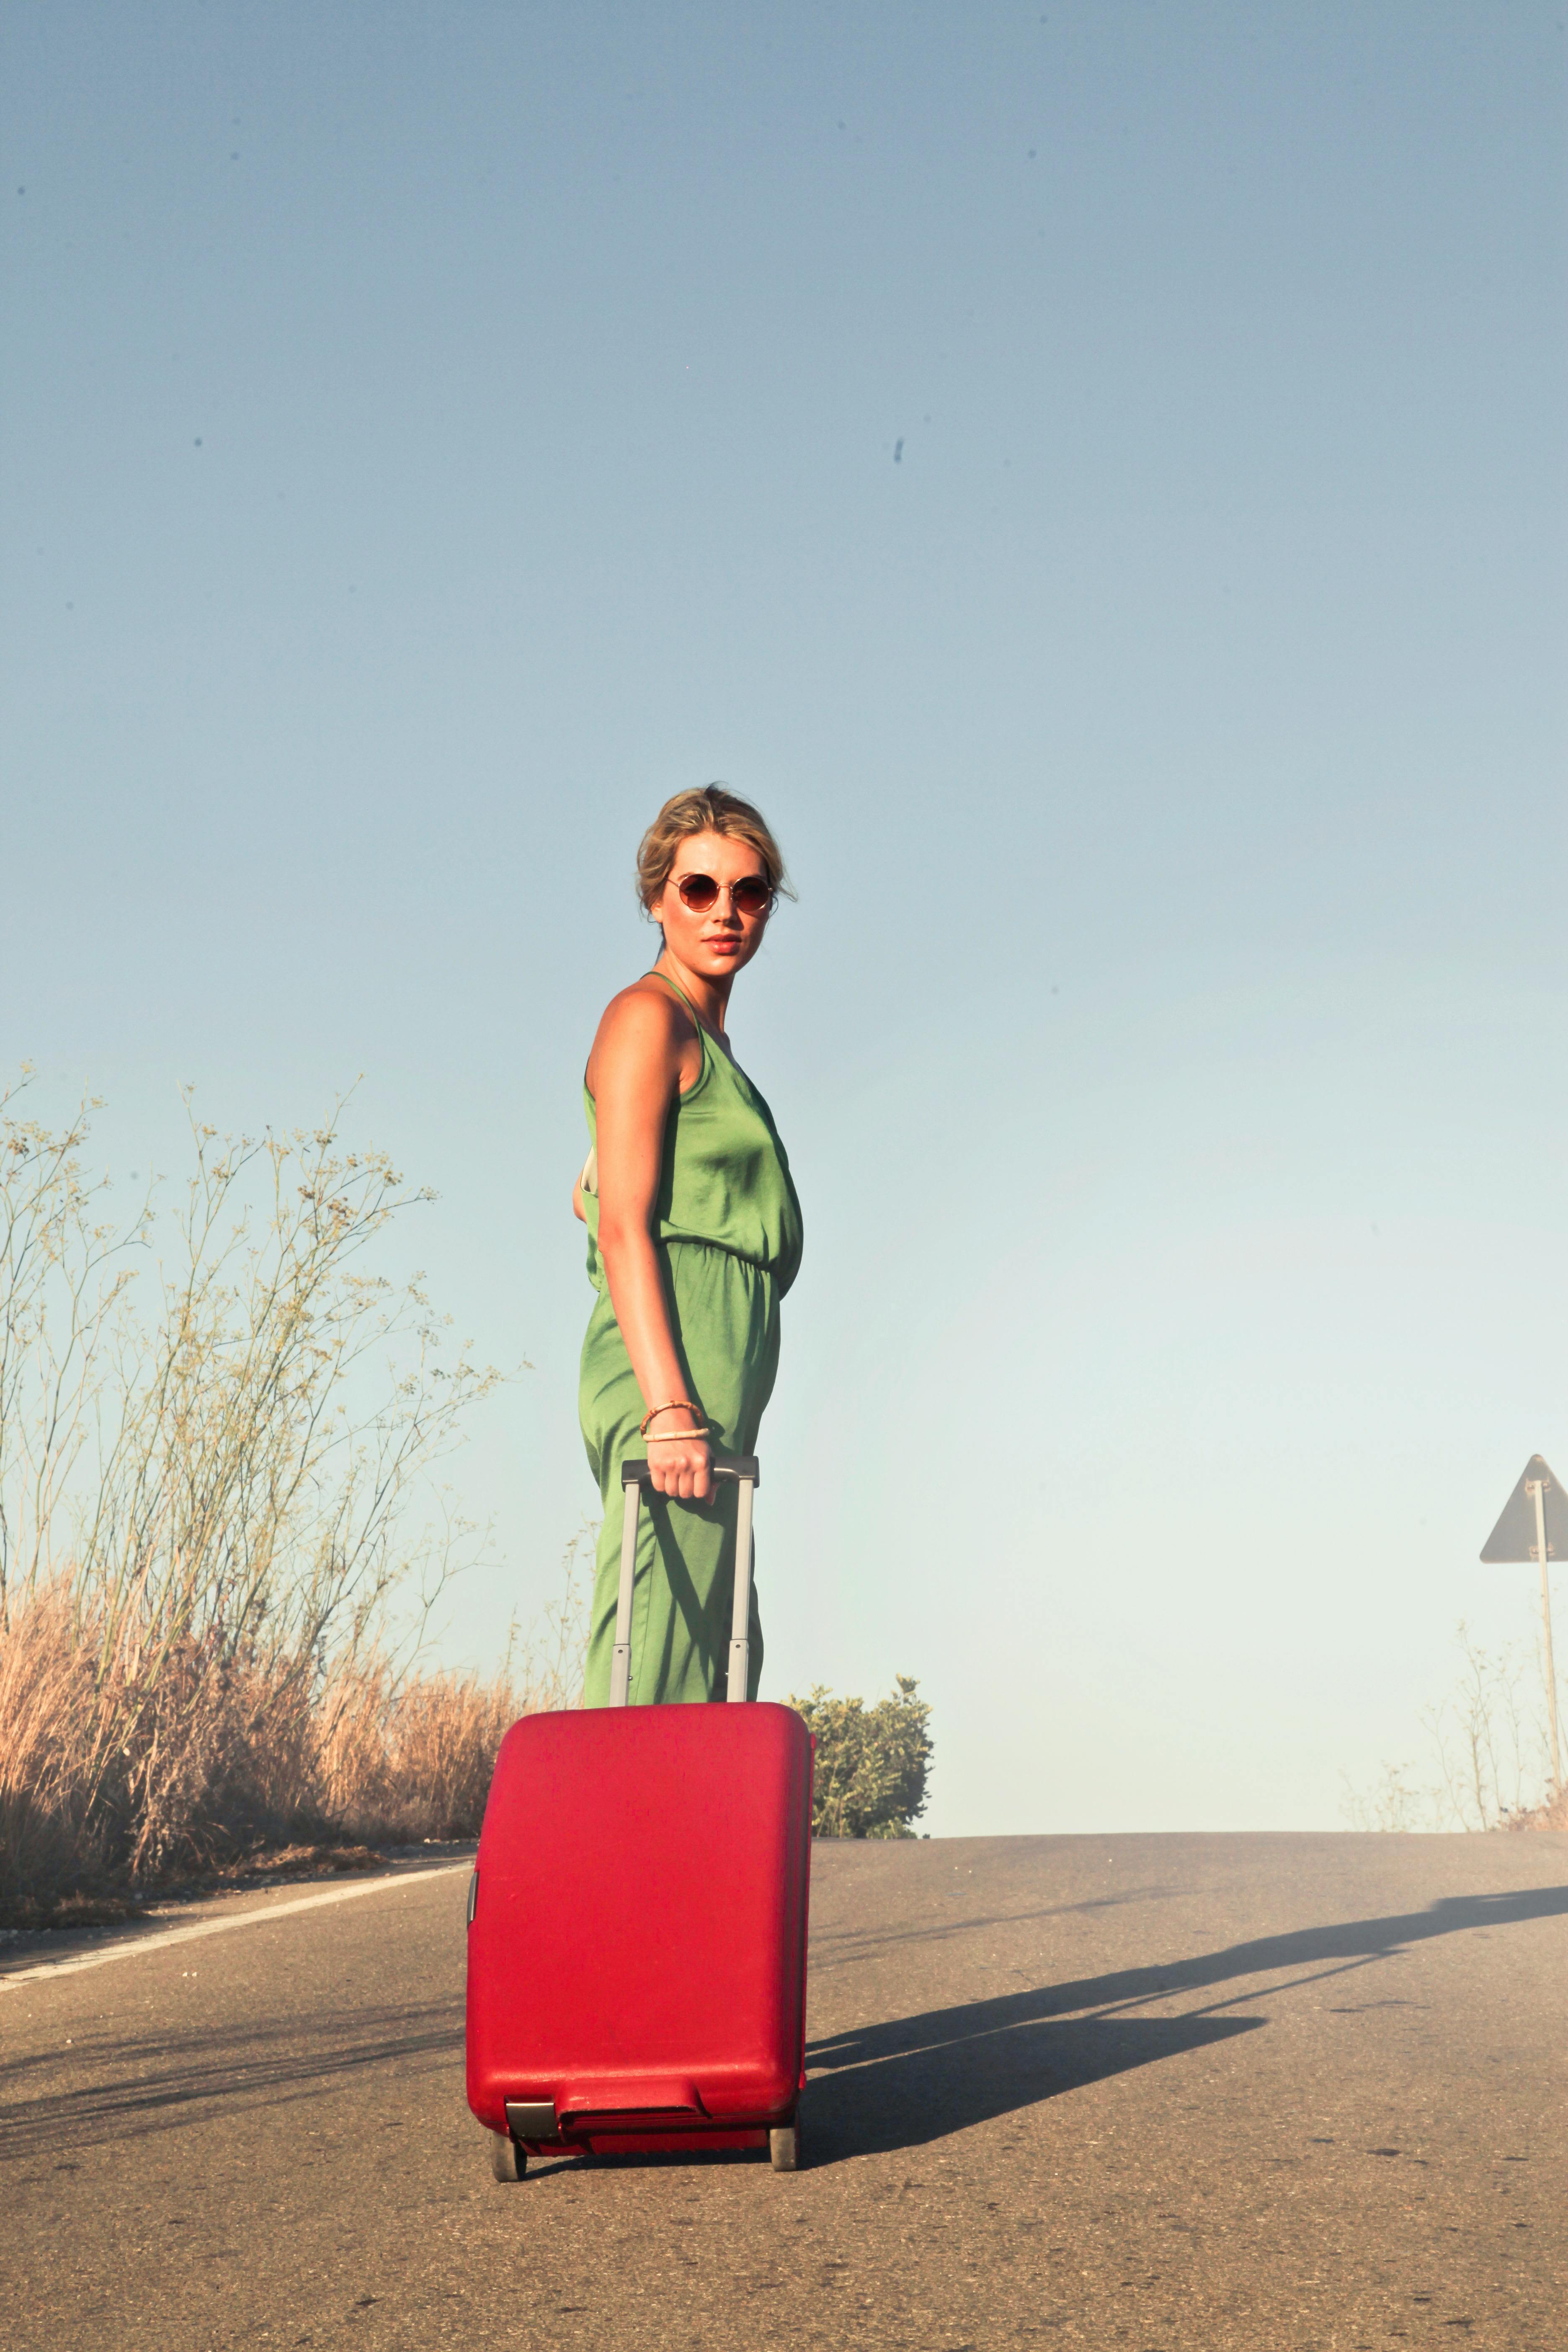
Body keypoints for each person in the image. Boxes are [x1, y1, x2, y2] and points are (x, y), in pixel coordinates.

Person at [573, 785, 803, 1705]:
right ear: (656, 897)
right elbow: (627, 1224)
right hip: (675, 1371)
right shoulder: (647, 1016)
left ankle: (678, 1856)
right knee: (654, 1648)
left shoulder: (707, 1038)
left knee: (714, 1656)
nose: (725, 913)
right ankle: (586, 1853)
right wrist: (669, 1407)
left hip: (718, 1369)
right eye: (699, 888)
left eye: (749, 893)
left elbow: (625, 1186)